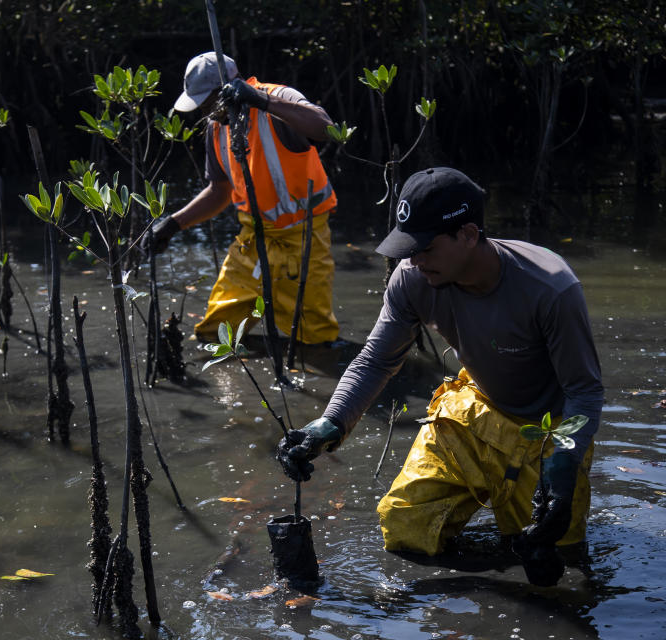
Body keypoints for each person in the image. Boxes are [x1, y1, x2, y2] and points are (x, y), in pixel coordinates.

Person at [277, 167, 604, 586]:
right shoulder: (413, 279)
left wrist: (564, 458)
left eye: (425, 248)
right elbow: (376, 359)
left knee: (556, 556)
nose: (413, 260)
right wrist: (330, 423)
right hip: (475, 408)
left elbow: (584, 392)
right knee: (405, 529)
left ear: (468, 234)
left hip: (546, 431)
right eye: (407, 247)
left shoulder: (550, 289)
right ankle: (484, 585)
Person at [151, 52, 340, 344]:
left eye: (207, 101)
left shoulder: (276, 98)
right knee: (216, 333)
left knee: (312, 338)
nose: (204, 110)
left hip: (304, 240)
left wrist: (261, 101)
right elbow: (219, 192)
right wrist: (173, 224)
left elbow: (326, 128)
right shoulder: (216, 127)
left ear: (227, 88)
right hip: (252, 240)